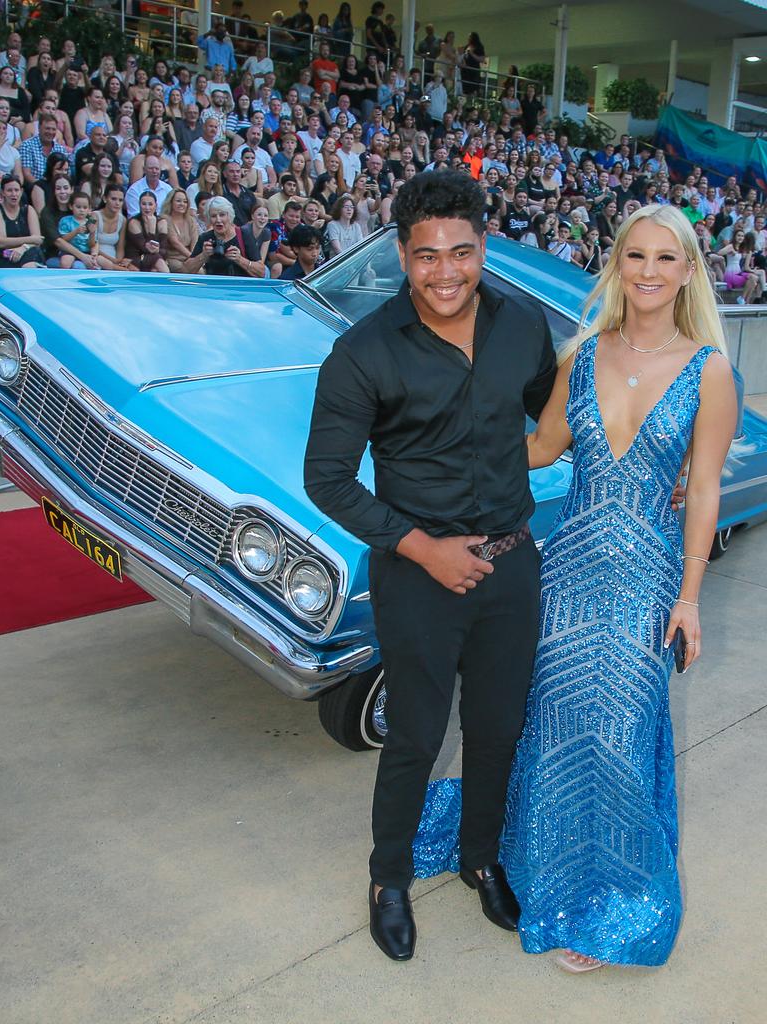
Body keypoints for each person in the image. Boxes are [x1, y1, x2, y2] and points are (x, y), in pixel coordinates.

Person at [471, 204, 737, 971]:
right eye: (635, 257)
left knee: (617, 739)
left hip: (647, 575)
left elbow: (708, 492)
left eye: (665, 258)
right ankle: (539, 872)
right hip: (570, 567)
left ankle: (609, 903)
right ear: (616, 266)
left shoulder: (708, 369)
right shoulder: (582, 354)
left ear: (688, 271)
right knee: (552, 728)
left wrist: (688, 599)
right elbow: (543, 446)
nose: (649, 272)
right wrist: (457, 428)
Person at [304, 171, 557, 961]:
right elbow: (328, 477)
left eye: (461, 252)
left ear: (484, 245)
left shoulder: (524, 326)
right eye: (425, 257)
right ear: (399, 255)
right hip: (417, 572)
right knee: (414, 735)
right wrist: (423, 549)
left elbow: (556, 420)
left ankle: (481, 856)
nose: (445, 273)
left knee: (496, 728)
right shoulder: (363, 351)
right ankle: (388, 879)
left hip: (513, 567)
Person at [0, 174, 44, 268]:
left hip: (27, 251)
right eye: (9, 190)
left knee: (32, 254)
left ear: (21, 191)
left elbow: (38, 240)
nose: (14, 194)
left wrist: (23, 247)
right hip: (5, 254)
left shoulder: (28, 210)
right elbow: (1, 242)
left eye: (16, 190)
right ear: (2, 192)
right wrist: (30, 239)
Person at [125, 190, 170, 272]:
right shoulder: (134, 222)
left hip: (154, 257)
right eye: (144, 204)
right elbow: (146, 249)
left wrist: (158, 250)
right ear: (139, 205)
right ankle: (169, 281)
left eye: (150, 204)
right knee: (157, 260)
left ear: (156, 205)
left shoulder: (162, 222)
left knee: (155, 269)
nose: (147, 208)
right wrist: (152, 230)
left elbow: (164, 250)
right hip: (137, 258)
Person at [56, 190, 99, 269]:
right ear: (71, 206)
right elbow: (63, 239)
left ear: (89, 209)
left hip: (86, 251)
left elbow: (92, 244)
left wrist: (92, 233)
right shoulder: (65, 220)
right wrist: (76, 232)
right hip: (69, 252)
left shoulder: (90, 222)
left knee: (102, 262)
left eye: (85, 207)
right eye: (78, 207)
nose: (81, 210)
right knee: (65, 262)